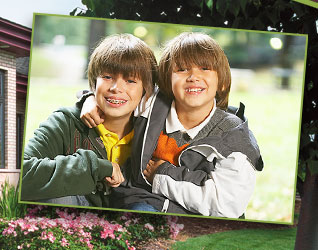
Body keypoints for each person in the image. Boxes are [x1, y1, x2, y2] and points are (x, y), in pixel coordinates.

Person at [81, 32, 263, 218]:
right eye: (182, 69)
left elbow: (226, 205)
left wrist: (162, 173)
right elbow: (118, 94)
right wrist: (89, 99)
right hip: (142, 202)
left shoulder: (234, 137)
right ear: (167, 80)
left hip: (199, 219)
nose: (193, 76)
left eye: (205, 68)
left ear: (222, 82)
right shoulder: (152, 105)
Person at [21, 33, 158, 208]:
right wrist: (94, 167)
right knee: (58, 198)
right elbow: (22, 174)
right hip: (74, 223)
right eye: (108, 77)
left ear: (146, 91)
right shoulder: (65, 123)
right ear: (94, 82)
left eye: (131, 80)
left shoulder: (154, 131)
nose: (117, 88)